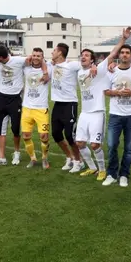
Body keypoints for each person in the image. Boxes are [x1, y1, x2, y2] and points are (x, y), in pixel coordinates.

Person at [103, 44, 131, 187]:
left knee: (129, 148)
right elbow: (106, 91)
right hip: (115, 115)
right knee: (111, 145)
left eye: (127, 53)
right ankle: (111, 174)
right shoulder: (111, 71)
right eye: (122, 52)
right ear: (119, 55)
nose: (124, 55)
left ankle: (124, 175)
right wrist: (116, 92)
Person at [75, 49, 113, 181]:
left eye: (86, 55)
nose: (83, 57)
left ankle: (102, 170)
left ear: (92, 60)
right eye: (82, 55)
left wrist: (123, 39)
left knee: (95, 144)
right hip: (84, 113)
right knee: (79, 143)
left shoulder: (99, 70)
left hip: (97, 112)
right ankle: (92, 167)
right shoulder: (79, 71)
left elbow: (112, 55)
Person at [48, 43, 84, 172]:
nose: (52, 52)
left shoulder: (71, 65)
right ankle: (70, 157)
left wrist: (94, 66)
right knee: (56, 134)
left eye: (54, 50)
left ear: (60, 53)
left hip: (70, 104)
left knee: (69, 135)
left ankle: (78, 161)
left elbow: (86, 64)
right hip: (57, 104)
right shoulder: (52, 64)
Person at [0, 44, 28, 166]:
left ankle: (16, 153)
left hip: (15, 99)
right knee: (0, 129)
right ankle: (1, 157)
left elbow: (32, 59)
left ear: (1, 57)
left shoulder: (18, 60)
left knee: (15, 129)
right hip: (1, 97)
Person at [21, 48, 51, 168]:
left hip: (41, 108)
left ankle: (44, 158)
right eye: (34, 55)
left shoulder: (49, 68)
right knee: (26, 135)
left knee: (44, 136)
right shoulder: (26, 67)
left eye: (39, 56)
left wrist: (45, 72)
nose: (36, 58)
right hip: (27, 108)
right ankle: (33, 158)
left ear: (43, 57)